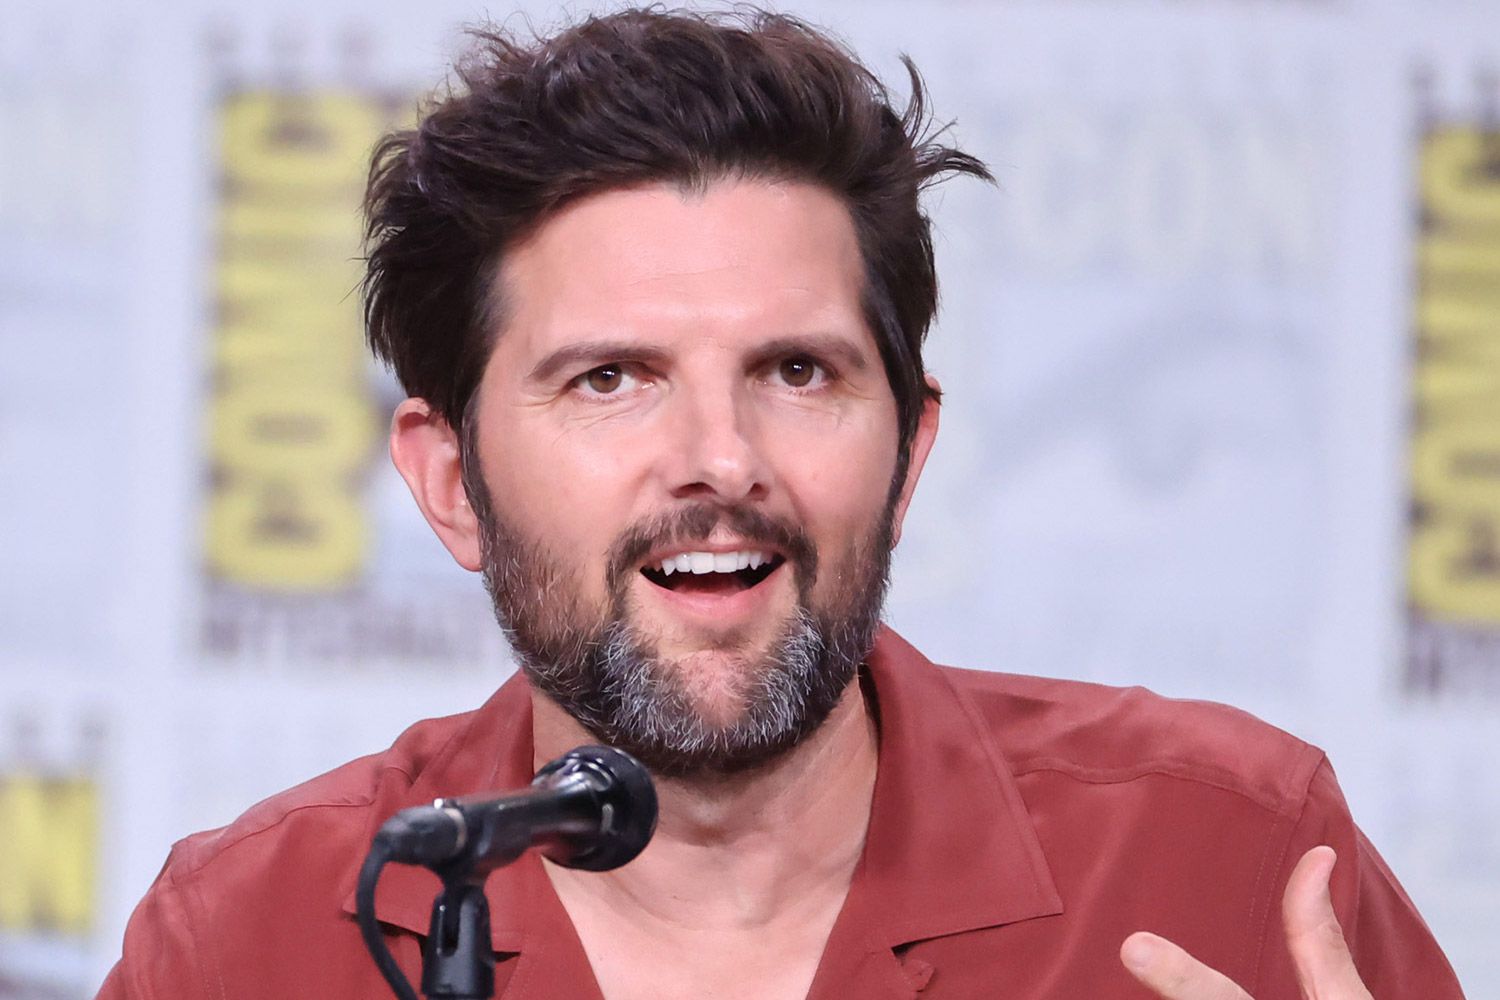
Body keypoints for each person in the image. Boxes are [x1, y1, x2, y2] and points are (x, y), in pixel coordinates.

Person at [100, 9, 1464, 1000]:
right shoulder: (255, 937)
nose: (721, 459)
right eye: (611, 379)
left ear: (909, 455)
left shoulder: (1228, 857)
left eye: (798, 371)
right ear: (451, 482)